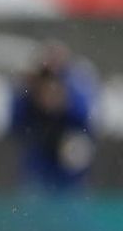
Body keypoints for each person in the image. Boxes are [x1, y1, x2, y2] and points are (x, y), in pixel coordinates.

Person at [9, 41, 97, 193]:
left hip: (68, 170)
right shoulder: (28, 96)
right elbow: (15, 125)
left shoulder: (75, 91)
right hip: (37, 166)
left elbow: (87, 124)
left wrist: (65, 103)